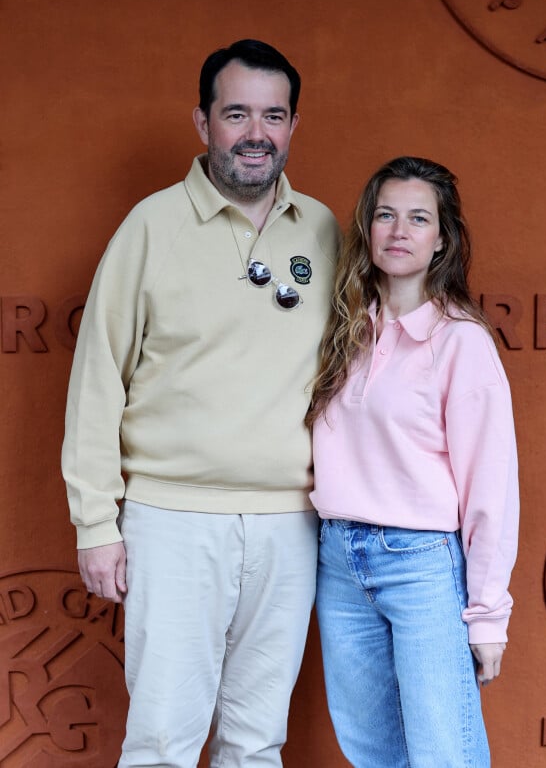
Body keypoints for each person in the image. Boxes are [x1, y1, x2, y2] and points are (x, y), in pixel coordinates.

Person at [61, 39, 339, 768]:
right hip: (171, 522)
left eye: (273, 115)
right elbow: (97, 380)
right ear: (202, 122)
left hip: (291, 526)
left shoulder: (326, 231)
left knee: (257, 744)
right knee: (160, 741)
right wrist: (96, 523)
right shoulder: (149, 228)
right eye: (236, 113)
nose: (256, 133)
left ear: (292, 126)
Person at [306, 156, 519, 768]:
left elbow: (491, 493)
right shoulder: (344, 332)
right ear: (368, 230)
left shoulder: (461, 342)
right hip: (339, 561)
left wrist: (487, 618)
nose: (399, 231)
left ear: (441, 239)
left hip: (420, 565)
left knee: (442, 753)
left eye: (418, 218)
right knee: (372, 752)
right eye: (386, 215)